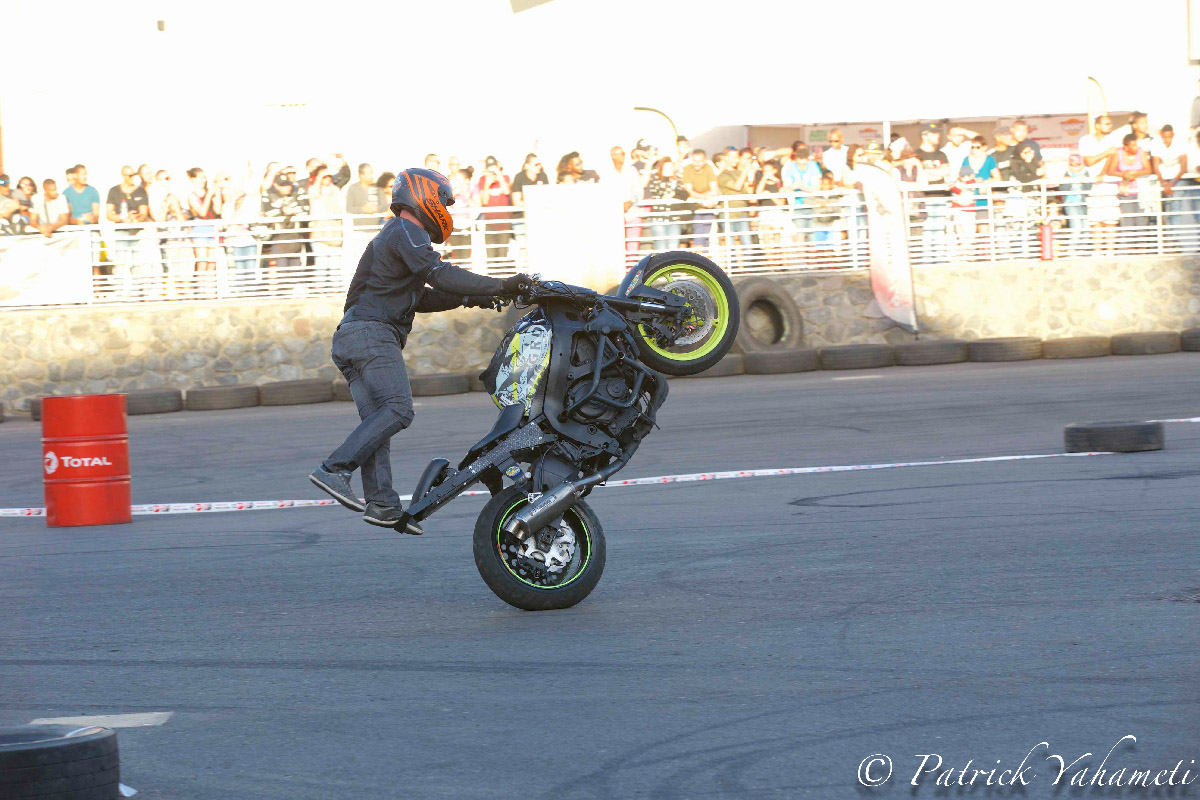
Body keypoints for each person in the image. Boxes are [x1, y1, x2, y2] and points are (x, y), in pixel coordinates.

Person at [308, 168, 529, 531]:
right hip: (372, 334)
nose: (446, 208)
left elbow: (421, 298)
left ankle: (382, 503)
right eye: (444, 201)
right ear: (424, 196)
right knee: (398, 409)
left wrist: (470, 298)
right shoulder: (405, 230)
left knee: (377, 422)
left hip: (353, 337)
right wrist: (502, 285)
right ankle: (335, 468)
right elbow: (439, 274)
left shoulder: (395, 236)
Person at [1106, 133, 1154, 237]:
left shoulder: (1141, 152)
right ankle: (1129, 245)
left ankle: (1142, 246)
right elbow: (1110, 171)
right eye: (1133, 145)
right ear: (1126, 147)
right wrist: (1123, 174)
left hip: (1140, 192)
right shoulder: (1118, 153)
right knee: (1127, 222)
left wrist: (1135, 173)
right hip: (1125, 192)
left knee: (1142, 222)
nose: (1136, 147)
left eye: (1136, 144)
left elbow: (1149, 169)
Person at [644, 157, 689, 250]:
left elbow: (684, 194)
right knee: (661, 247)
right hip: (658, 218)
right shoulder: (655, 178)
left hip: (674, 218)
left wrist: (674, 193)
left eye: (671, 167)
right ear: (661, 168)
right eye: (667, 167)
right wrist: (671, 193)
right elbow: (657, 191)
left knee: (673, 247)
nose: (669, 169)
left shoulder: (677, 180)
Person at [476, 155, 512, 264]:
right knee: (491, 256)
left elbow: (506, 191)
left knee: (502, 255)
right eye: (490, 168)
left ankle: (502, 275)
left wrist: (498, 174)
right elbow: (484, 201)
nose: (492, 170)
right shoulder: (482, 180)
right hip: (490, 223)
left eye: (494, 167)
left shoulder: (505, 178)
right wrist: (487, 184)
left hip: (504, 223)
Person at [680, 148, 719, 249]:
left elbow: (714, 189)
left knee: (706, 235)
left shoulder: (708, 168)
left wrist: (707, 198)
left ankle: (703, 257)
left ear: (704, 160)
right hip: (695, 207)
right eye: (695, 161)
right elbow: (690, 191)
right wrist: (705, 197)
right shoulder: (688, 169)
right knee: (698, 234)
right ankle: (699, 257)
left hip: (708, 206)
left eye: (700, 161)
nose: (697, 164)